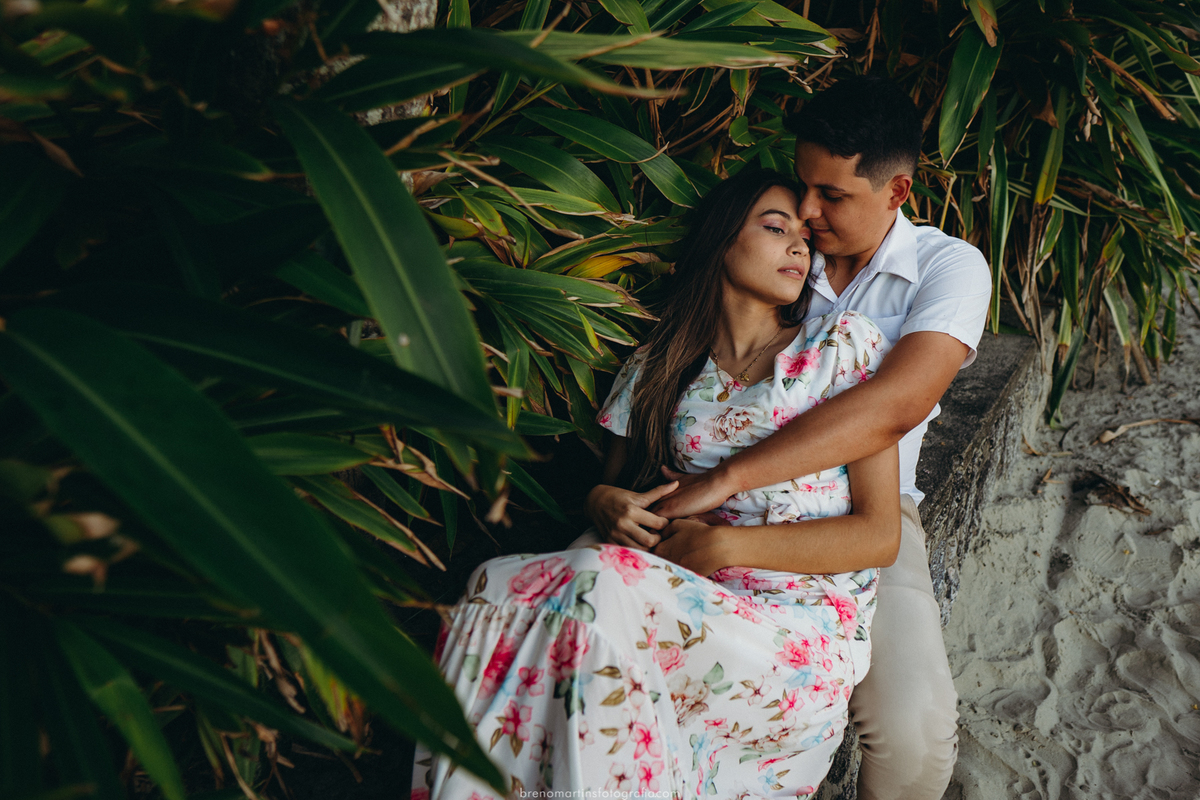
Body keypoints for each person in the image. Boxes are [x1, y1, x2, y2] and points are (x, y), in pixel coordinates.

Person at [411, 168, 902, 800]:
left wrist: (727, 548)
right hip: (665, 600)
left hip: (796, 638)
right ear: (722, 241)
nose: (799, 247)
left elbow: (878, 534)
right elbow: (622, 497)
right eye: (776, 228)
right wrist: (602, 500)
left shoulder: (842, 347)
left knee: (592, 589)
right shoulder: (662, 365)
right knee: (492, 586)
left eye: (804, 236)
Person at [650, 77, 993, 800]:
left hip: (861, 508)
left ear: (897, 191)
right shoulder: (775, 247)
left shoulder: (946, 267)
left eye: (831, 196)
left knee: (915, 736)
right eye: (802, 187)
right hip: (717, 505)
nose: (807, 213)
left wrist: (730, 477)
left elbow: (894, 406)